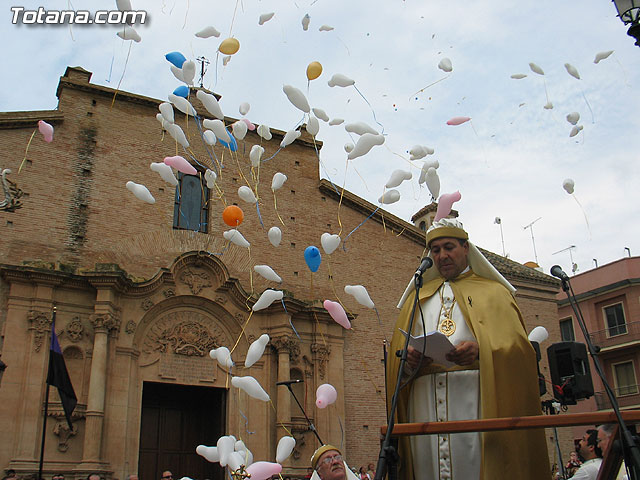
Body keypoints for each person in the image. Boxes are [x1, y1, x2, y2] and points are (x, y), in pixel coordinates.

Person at [386, 218, 549, 480]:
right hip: (423, 402)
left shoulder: (494, 293)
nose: (442, 255)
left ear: (466, 248)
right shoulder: (417, 297)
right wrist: (408, 360)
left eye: (449, 247)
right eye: (436, 250)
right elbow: (398, 358)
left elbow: (520, 351)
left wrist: (482, 351)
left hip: (476, 400)